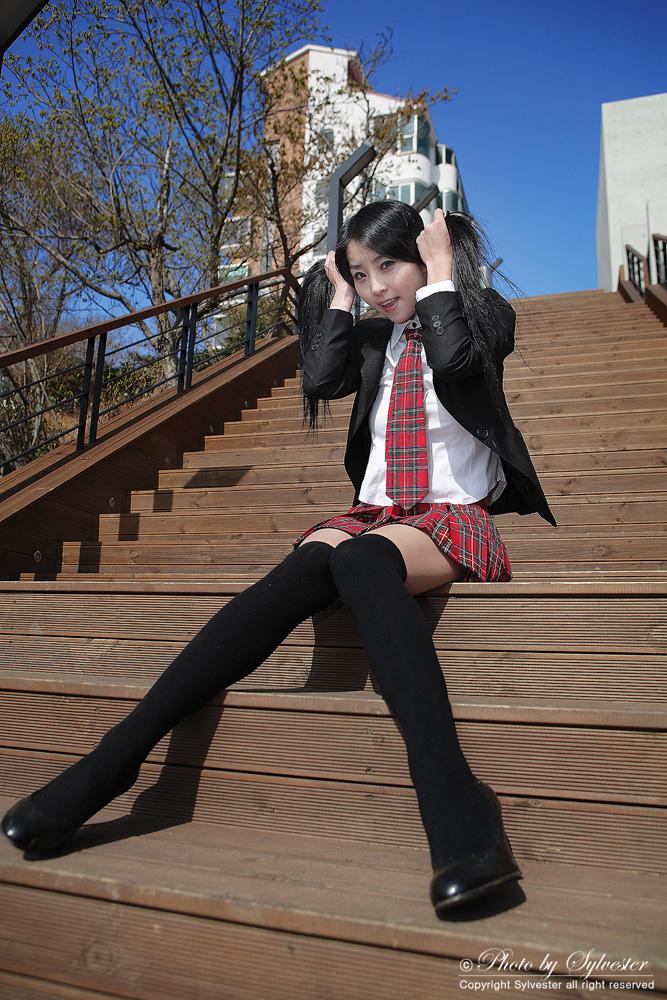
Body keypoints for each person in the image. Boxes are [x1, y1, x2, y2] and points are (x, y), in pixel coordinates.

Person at [2, 200, 556, 918]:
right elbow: (320, 379)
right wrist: (336, 296)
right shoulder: (370, 337)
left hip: (448, 514)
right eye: (361, 273)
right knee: (301, 568)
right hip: (373, 512)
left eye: (389, 265)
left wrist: (443, 270)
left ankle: (454, 800)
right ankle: (114, 760)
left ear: (424, 256)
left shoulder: (481, 314)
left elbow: (454, 362)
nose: (377, 286)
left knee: (362, 563)